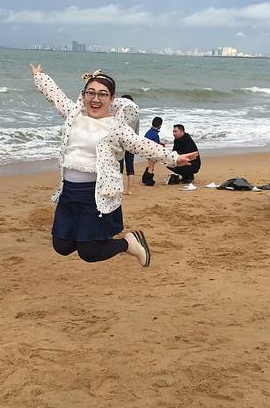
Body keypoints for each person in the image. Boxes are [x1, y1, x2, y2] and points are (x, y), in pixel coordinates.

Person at [31, 64, 198, 267]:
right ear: (83, 95)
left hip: (96, 195)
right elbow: (56, 96)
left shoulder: (116, 127)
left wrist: (174, 158)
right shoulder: (74, 115)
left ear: (112, 99)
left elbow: (141, 145)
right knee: (62, 246)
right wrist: (40, 77)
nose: (96, 99)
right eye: (91, 93)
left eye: (103, 94)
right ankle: (95, 238)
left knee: (89, 252)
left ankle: (129, 243)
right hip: (69, 193)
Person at [118, 94, 138, 194]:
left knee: (119, 167)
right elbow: (137, 132)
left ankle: (119, 189)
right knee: (130, 167)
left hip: (120, 144)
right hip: (131, 143)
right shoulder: (135, 116)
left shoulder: (119, 114)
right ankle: (129, 190)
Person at [142, 116, 163, 186]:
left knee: (149, 165)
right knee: (151, 166)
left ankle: (145, 178)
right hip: (152, 152)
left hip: (145, 150)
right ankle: (148, 180)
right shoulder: (156, 135)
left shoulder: (149, 132)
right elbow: (156, 146)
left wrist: (160, 143)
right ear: (160, 125)